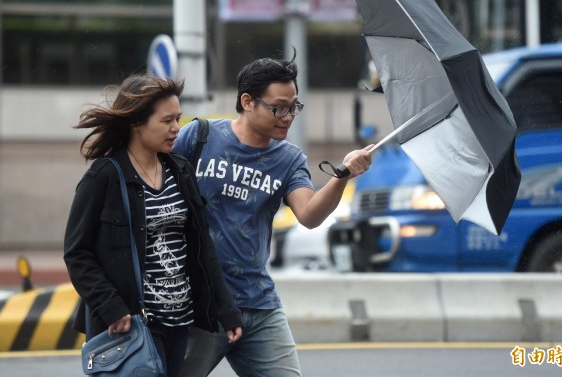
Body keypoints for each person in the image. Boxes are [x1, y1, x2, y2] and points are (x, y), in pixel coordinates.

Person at [174, 51, 373, 376]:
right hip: (201, 303)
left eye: (294, 106)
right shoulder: (199, 137)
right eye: (279, 107)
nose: (288, 115)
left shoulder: (288, 158)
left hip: (258, 303)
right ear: (247, 101)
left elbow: (309, 214)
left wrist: (343, 176)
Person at [64, 74, 243, 377]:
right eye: (167, 120)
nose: (176, 128)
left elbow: (202, 247)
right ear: (137, 122)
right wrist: (112, 307)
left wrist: (226, 310)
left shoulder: (180, 170)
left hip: (180, 320)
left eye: (178, 118)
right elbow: (77, 252)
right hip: (133, 325)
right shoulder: (105, 177)